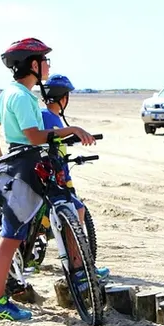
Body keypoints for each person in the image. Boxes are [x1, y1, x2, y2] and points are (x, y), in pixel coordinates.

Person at [0, 38, 95, 321]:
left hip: (29, 165)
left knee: (69, 210)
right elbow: (33, 136)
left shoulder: (13, 93)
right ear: (33, 65)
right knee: (10, 238)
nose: (47, 65)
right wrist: (72, 129)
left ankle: (78, 272)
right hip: (24, 168)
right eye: (44, 61)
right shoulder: (20, 96)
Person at [39, 74, 109, 280]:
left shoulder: (48, 116)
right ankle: (78, 266)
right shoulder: (50, 117)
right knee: (76, 209)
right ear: (63, 98)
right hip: (54, 175)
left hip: (55, 172)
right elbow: (53, 138)